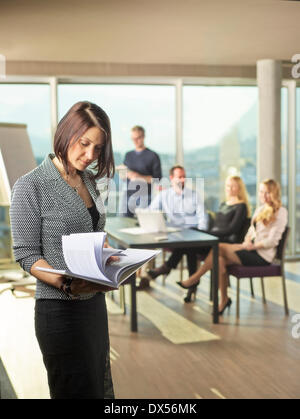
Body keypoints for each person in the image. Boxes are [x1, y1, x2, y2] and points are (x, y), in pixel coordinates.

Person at [10, 101, 116, 399]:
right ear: (66, 133)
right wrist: (68, 283)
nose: (90, 155)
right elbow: (26, 254)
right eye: (84, 144)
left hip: (94, 305)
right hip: (59, 311)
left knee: (98, 384)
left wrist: (112, 259)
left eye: (98, 148)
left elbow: (93, 234)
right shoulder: (30, 186)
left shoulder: (88, 182)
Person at [177, 179, 288, 315]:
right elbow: (251, 231)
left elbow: (272, 241)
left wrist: (252, 247)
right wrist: (247, 241)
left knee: (220, 247)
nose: (263, 195)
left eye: (267, 192)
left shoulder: (281, 212)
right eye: (261, 192)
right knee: (219, 260)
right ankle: (224, 299)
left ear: (274, 193)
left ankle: (195, 279)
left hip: (262, 256)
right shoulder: (260, 209)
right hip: (250, 249)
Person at [148, 175, 250, 298]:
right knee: (190, 245)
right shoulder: (224, 203)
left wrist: (208, 234)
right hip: (214, 238)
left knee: (191, 239)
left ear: (240, 188)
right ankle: (191, 284)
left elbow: (231, 230)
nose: (230, 188)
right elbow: (217, 226)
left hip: (225, 242)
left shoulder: (241, 206)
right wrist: (208, 234)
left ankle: (169, 267)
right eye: (228, 185)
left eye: (233, 186)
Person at [142, 165, 208, 289]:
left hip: (194, 232)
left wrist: (202, 235)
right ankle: (192, 283)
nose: (183, 180)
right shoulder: (164, 195)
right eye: (179, 177)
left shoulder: (194, 195)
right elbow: (151, 210)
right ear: (171, 178)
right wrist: (141, 213)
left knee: (189, 244)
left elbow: (202, 216)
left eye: (184, 177)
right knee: (188, 245)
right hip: (175, 234)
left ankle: (166, 268)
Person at [122, 125, 162, 217]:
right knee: (125, 224)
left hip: (145, 197)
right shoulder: (128, 155)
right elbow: (123, 176)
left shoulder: (153, 156)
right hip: (128, 196)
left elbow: (157, 180)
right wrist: (124, 173)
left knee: (144, 224)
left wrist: (138, 177)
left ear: (143, 137)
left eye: (138, 138)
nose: (135, 141)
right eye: (133, 138)